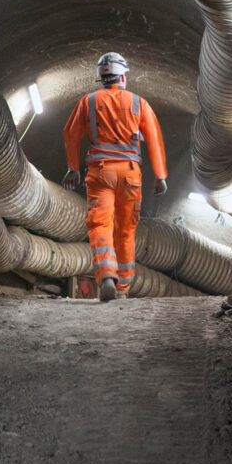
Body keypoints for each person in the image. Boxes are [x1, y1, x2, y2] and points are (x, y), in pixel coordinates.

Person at [62, 52, 168, 301]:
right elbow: (153, 138)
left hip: (100, 173)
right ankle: (122, 290)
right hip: (130, 176)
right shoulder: (138, 103)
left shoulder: (87, 102)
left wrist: (73, 167)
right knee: (126, 232)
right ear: (122, 76)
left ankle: (107, 276)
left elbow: (70, 133)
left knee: (100, 225)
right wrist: (160, 175)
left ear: (102, 79)